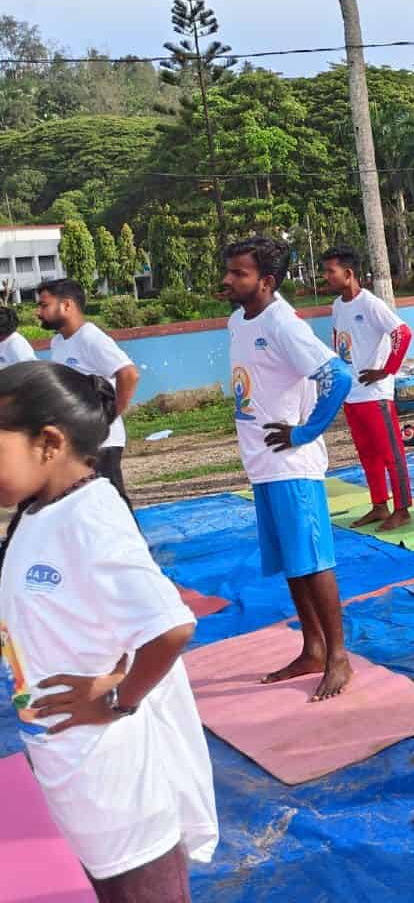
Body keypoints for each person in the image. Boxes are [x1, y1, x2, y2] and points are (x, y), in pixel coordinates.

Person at [0, 361, 218, 901]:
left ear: (49, 442)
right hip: (65, 761)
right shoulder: (36, 511)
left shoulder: (91, 518)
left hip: (118, 785)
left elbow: (170, 627)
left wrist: (119, 698)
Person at [222, 237, 355, 701]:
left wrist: (304, 432)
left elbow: (338, 376)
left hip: (291, 466)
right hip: (262, 465)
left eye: (238, 273)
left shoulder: (283, 323)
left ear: (267, 281)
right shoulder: (238, 320)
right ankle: (313, 647)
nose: (228, 279)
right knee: (292, 565)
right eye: (229, 270)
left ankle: (338, 656)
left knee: (314, 561)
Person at [322, 248, 414, 532]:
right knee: (367, 454)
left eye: (330, 271)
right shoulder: (338, 305)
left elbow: (403, 332)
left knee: (390, 453)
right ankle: (378, 504)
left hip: (375, 395)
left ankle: (402, 508)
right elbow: (339, 341)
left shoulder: (371, 304)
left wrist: (387, 370)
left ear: (348, 274)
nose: (325, 277)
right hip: (352, 392)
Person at [37, 278, 139, 505]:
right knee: (87, 501)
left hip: (103, 441)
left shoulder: (90, 337)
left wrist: (109, 417)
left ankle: (131, 540)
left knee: (112, 500)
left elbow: (129, 374)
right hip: (79, 439)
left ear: (66, 306)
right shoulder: (58, 342)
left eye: (44, 305)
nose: (38, 312)